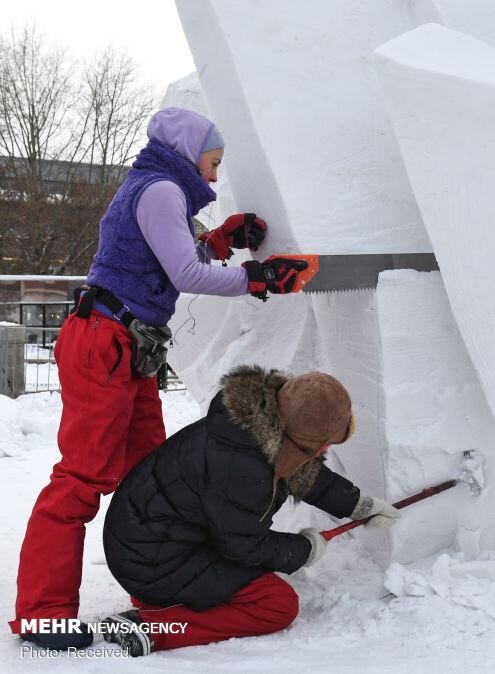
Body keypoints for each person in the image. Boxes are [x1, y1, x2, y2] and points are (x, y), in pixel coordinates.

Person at [10, 107, 310, 650]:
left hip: (129, 348)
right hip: (102, 344)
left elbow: (166, 255)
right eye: (213, 163)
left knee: (153, 475)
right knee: (82, 478)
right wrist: (256, 277)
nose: (215, 177)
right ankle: (42, 612)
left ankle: (160, 584)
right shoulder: (159, 190)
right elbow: (184, 274)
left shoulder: (157, 189)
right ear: (190, 152)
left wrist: (222, 240)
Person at [99, 365, 399, 656]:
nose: (325, 452)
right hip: (151, 561)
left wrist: (357, 505)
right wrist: (303, 549)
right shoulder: (241, 469)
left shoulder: (255, 430)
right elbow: (244, 546)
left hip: (151, 545)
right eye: (322, 446)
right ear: (302, 442)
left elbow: (304, 474)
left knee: (253, 580)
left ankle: (163, 600)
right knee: (277, 605)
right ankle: (153, 628)